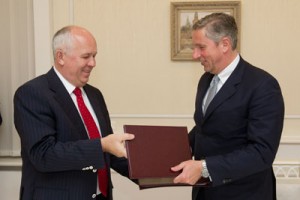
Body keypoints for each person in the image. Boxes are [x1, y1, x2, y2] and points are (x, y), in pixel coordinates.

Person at [171, 13, 284, 200]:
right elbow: (204, 129)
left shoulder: (262, 85)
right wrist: (165, 149)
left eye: (201, 47)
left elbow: (262, 152)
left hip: (245, 193)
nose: (195, 55)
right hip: (205, 192)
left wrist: (204, 167)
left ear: (225, 44)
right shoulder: (205, 80)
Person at [14, 25, 135, 200]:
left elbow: (110, 151)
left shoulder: (94, 95)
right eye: (86, 56)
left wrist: (153, 173)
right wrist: (101, 145)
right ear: (60, 56)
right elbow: (44, 155)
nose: (93, 63)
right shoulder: (32, 93)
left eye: (94, 56)